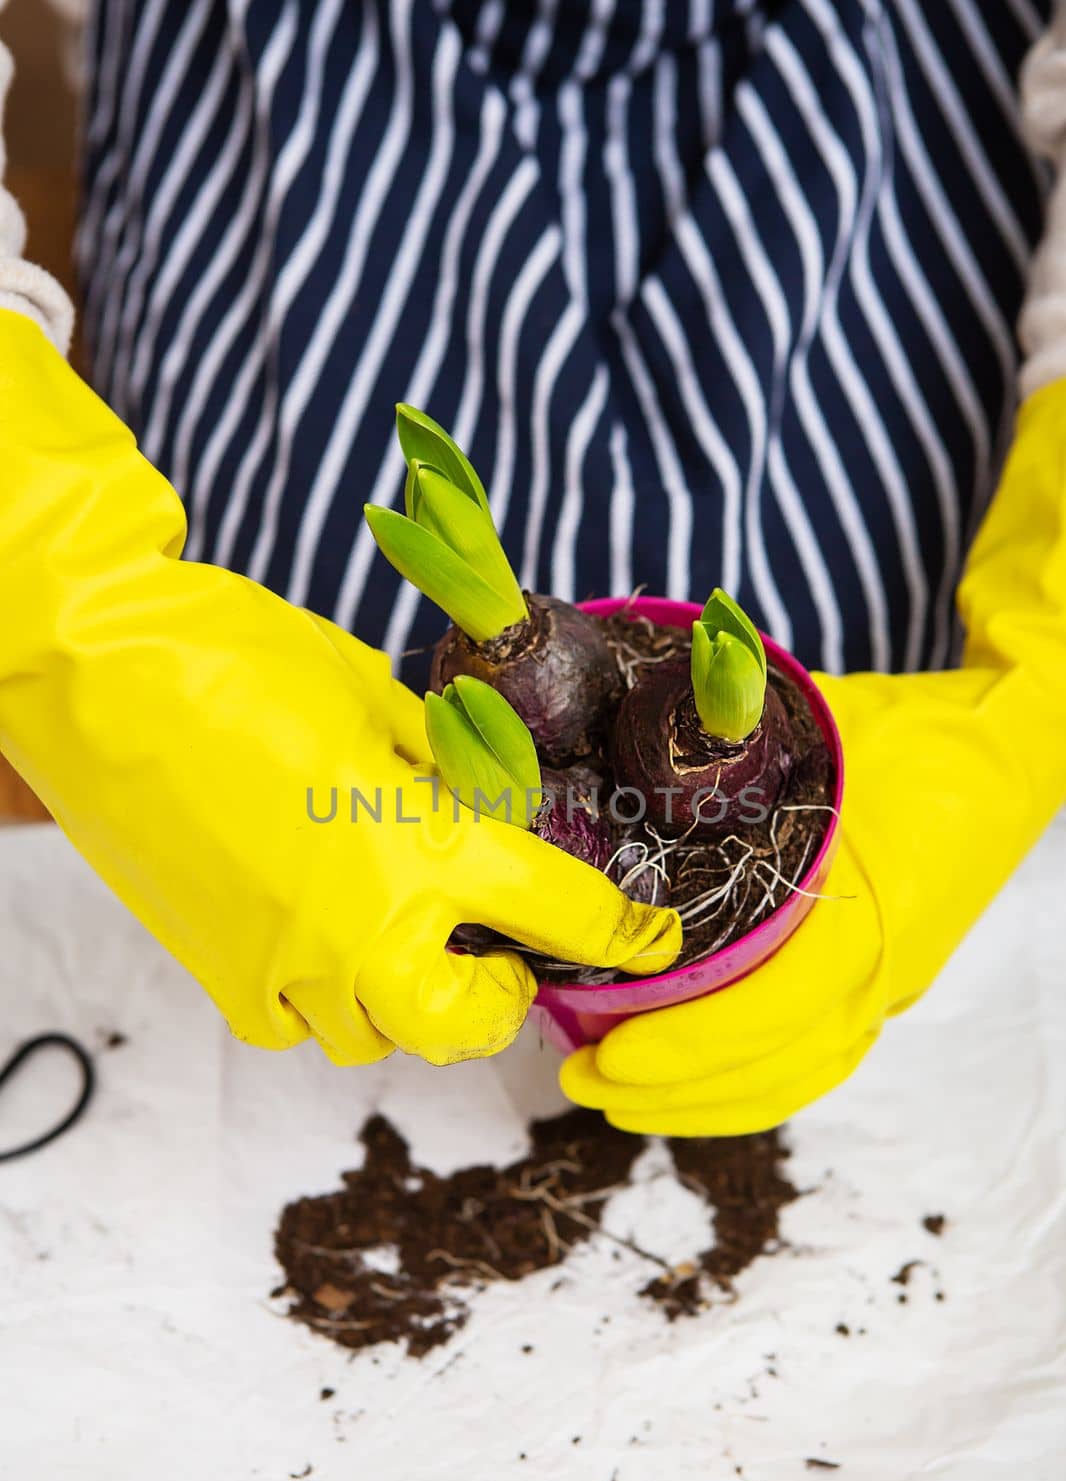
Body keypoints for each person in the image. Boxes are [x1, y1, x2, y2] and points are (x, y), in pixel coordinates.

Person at [0, 0, 1064, 1134]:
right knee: (324, 732)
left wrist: (1032, 687)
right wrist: (65, 603)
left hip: (894, 62)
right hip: (279, 52)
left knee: (833, 686)